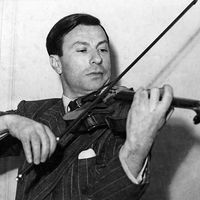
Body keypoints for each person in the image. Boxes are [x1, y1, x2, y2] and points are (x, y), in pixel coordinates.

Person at [0, 13, 173, 200]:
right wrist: (9, 122)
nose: (97, 59)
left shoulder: (124, 122)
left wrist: (137, 147)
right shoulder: (32, 113)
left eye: (103, 50)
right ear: (56, 63)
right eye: (83, 50)